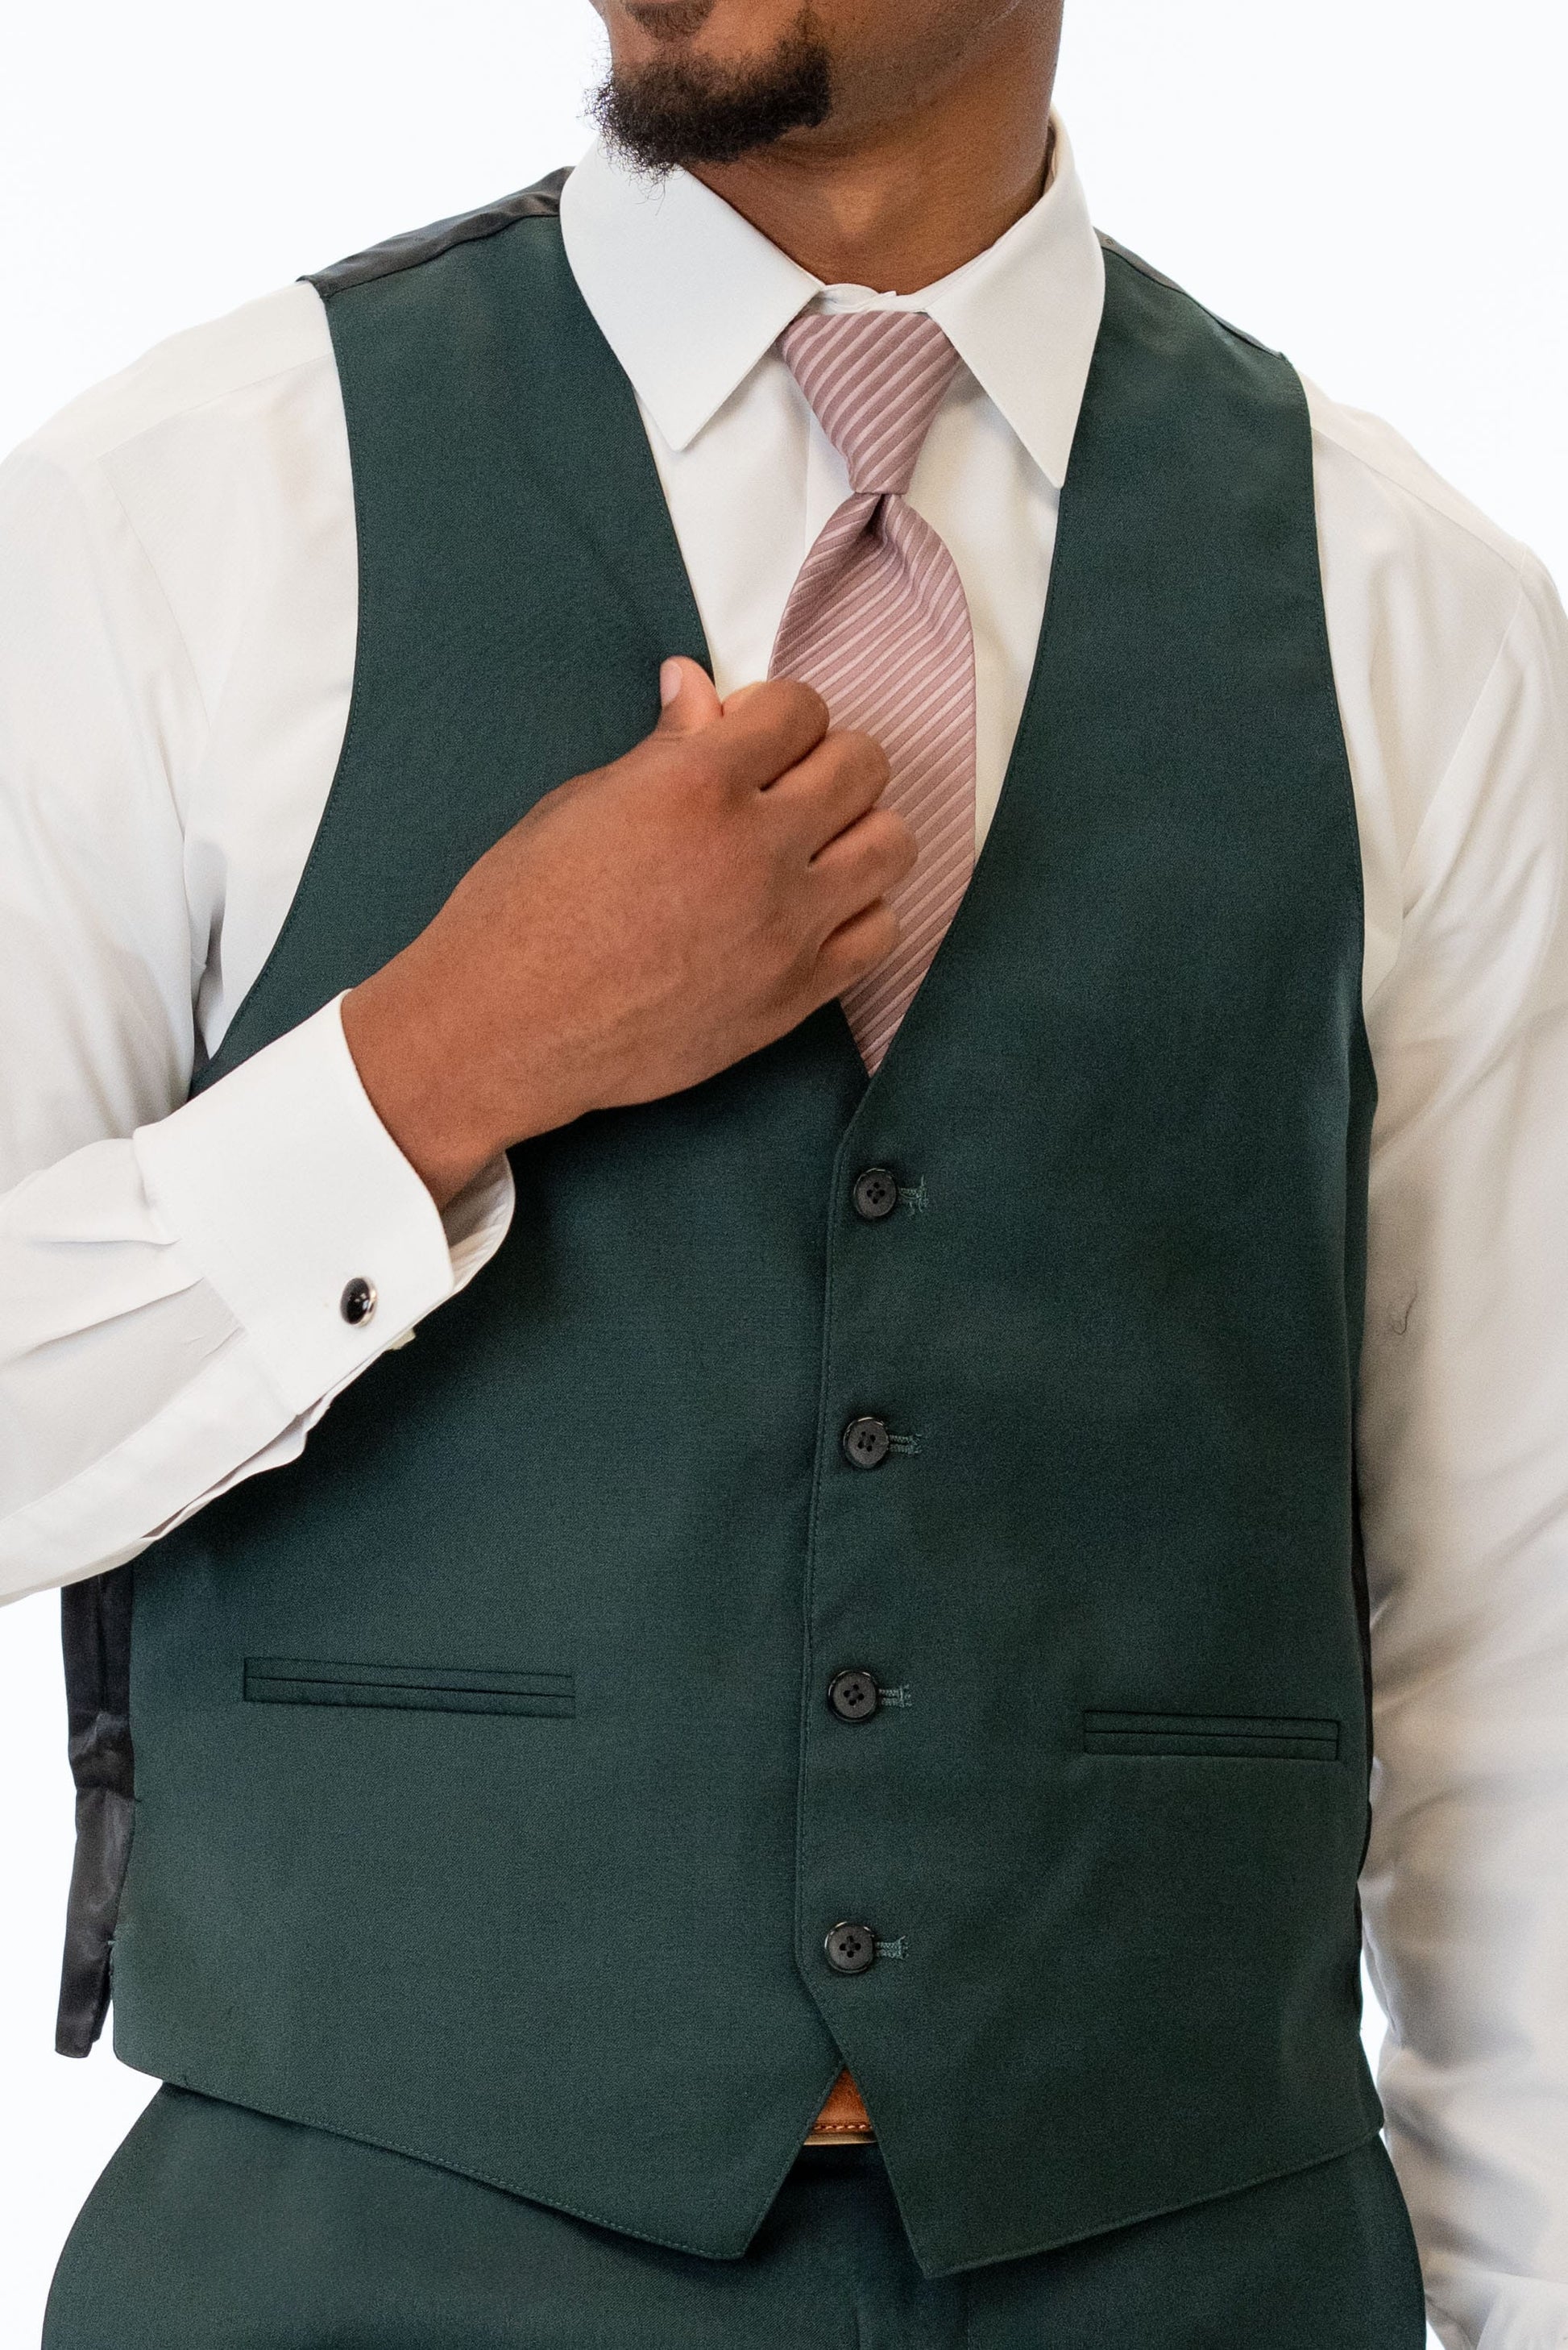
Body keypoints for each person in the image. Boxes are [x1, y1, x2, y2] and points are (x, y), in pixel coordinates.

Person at [2, 0, 1564, 2341]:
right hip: (358, 2266)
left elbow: (1518, 1596)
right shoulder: (182, 511)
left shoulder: (1412, 610)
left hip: (1194, 2269)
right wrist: (432, 1062)